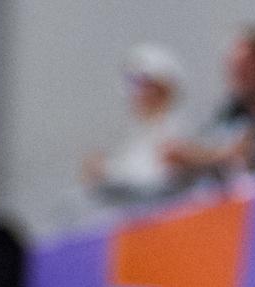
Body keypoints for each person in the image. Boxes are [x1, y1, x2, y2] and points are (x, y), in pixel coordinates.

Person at [163, 28, 255, 182]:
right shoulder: (231, 108)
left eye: (245, 65)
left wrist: (202, 156)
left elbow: (243, 152)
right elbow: (210, 141)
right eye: (234, 65)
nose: (238, 71)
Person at [81, 45, 192, 205]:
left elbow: (153, 183)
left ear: (162, 89)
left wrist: (107, 172)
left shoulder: (174, 129)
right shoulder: (141, 131)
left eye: (142, 84)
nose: (135, 93)